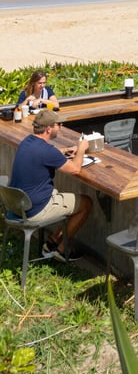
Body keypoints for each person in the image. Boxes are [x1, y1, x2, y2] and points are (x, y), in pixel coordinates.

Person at [9, 109, 93, 262]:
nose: (60, 127)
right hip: (33, 211)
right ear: (48, 129)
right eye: (58, 125)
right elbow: (75, 169)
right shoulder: (46, 151)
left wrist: (66, 150)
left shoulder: (27, 141)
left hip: (16, 205)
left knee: (65, 198)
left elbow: (48, 153)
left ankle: (53, 240)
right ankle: (62, 250)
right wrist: (81, 149)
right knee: (86, 203)